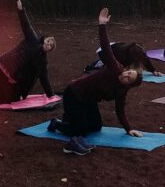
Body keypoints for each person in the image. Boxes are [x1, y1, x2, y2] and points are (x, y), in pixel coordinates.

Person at [50, 8, 144, 156]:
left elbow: (120, 110)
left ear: (128, 85)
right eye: (128, 73)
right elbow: (107, 49)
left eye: (128, 79)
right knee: (80, 131)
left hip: (88, 101)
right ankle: (56, 124)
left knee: (96, 127)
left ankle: (70, 118)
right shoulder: (115, 68)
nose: (125, 76)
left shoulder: (121, 91)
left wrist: (128, 129)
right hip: (74, 94)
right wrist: (102, 25)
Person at [0, 0, 55, 104]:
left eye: (51, 46)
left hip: (9, 77)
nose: (48, 44)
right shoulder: (33, 39)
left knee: (14, 98)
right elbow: (26, 25)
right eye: (48, 41)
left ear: (49, 50)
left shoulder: (42, 62)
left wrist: (51, 95)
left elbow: (44, 79)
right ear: (45, 39)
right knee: (6, 100)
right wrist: (21, 10)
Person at [84, 42, 162, 77]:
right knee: (110, 70)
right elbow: (120, 67)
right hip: (104, 51)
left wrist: (153, 71)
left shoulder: (140, 53)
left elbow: (146, 61)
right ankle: (96, 64)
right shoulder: (122, 56)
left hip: (115, 47)